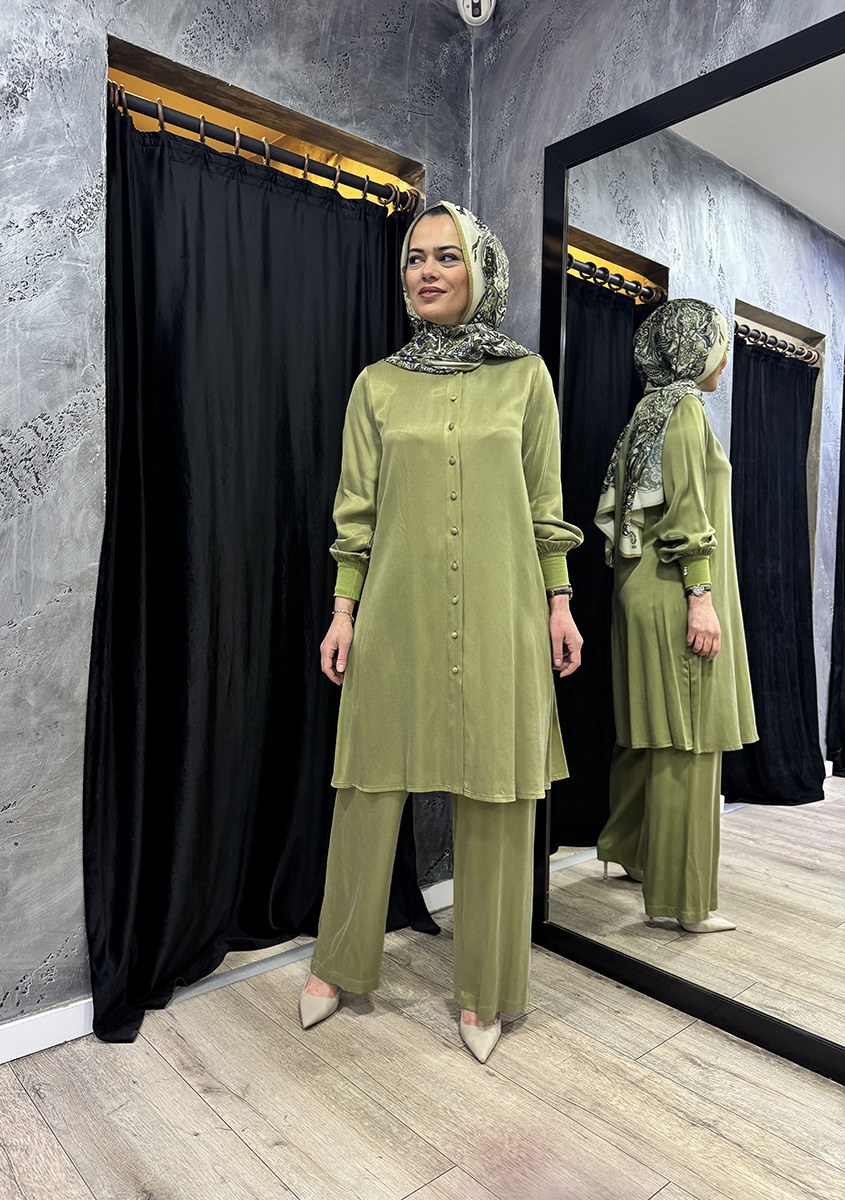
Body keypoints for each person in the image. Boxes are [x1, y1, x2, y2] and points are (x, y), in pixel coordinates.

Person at [300, 201, 583, 1062]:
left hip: (503, 609)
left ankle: (484, 988)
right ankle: (338, 962)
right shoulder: (376, 385)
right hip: (396, 610)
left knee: (496, 792)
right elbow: (356, 511)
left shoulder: (526, 379)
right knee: (367, 781)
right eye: (415, 258)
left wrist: (560, 602)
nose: (425, 271)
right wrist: (343, 611)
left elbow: (544, 503)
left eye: (446, 256)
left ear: (480, 269)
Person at [594, 298, 757, 932]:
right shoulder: (684, 409)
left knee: (648, 736)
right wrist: (702, 599)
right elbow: (688, 514)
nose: (724, 356)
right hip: (675, 591)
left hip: (640, 593)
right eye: (719, 342)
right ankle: (684, 904)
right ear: (693, 348)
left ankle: (631, 852)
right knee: (690, 744)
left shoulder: (648, 411)